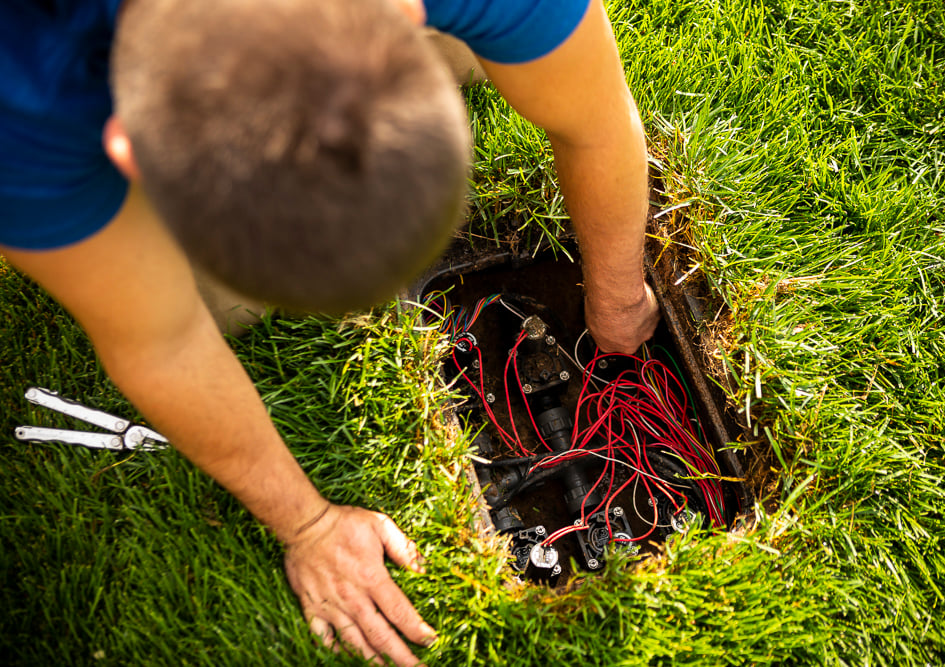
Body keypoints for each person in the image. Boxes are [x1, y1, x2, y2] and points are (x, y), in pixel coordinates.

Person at [0, 0, 659, 664]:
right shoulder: (22, 118)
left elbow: (596, 126)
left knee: (516, 56)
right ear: (128, 149)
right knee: (228, 309)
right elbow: (159, 343)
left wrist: (619, 294)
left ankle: (466, 49)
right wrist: (308, 524)